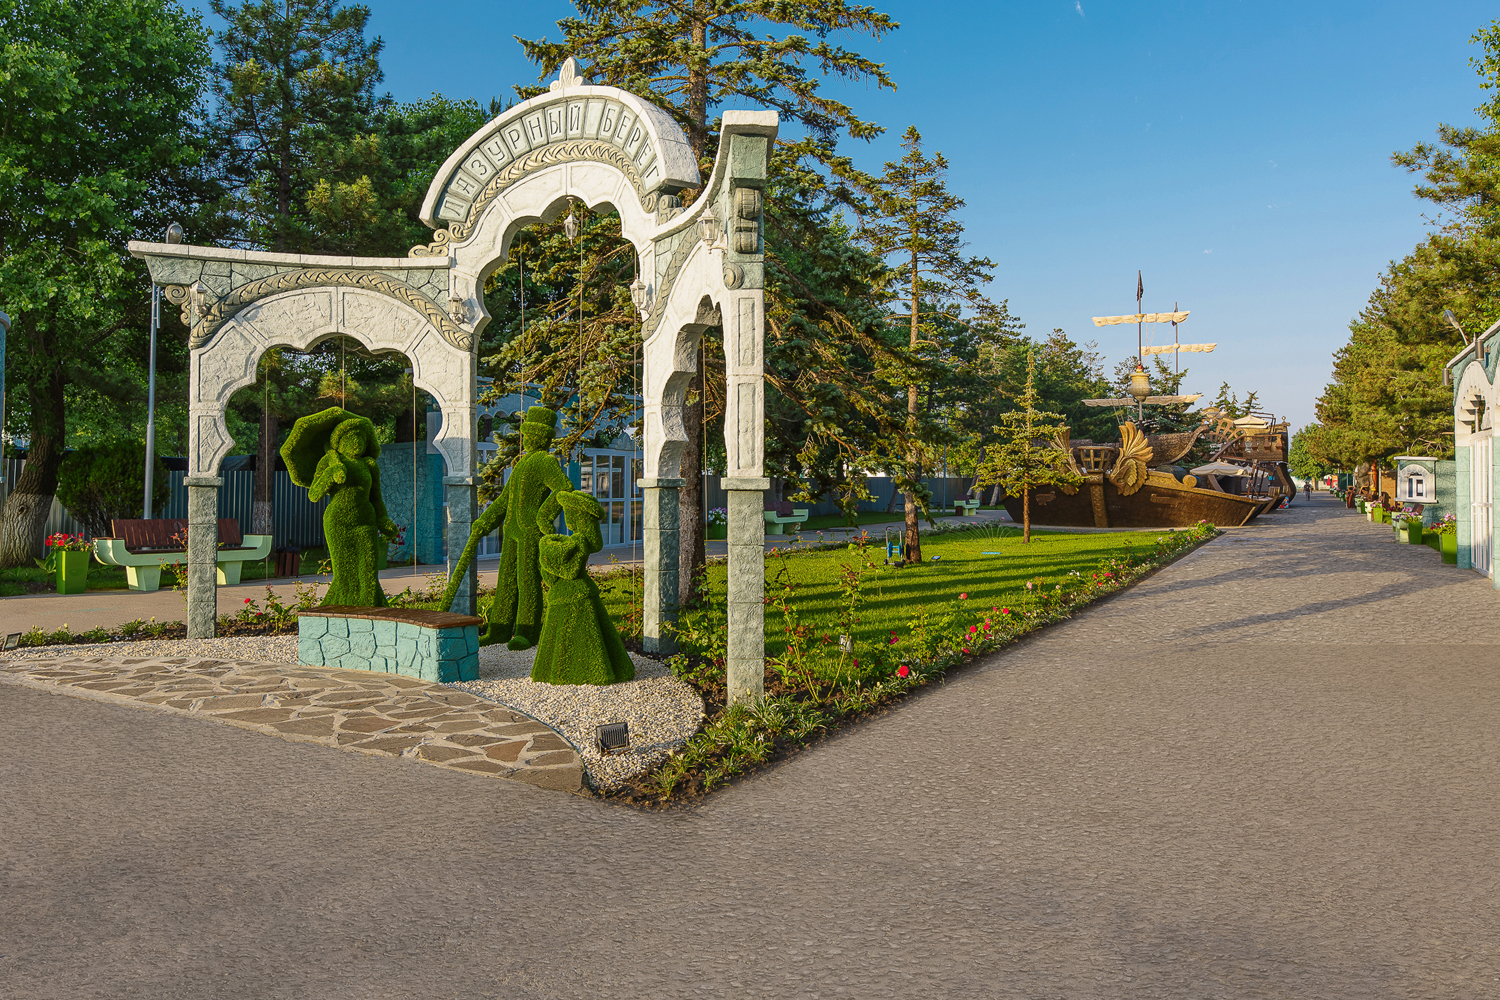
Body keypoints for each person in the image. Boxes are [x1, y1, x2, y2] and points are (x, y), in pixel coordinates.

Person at [442, 406, 573, 649]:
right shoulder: (522, 463)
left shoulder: (545, 461)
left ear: (543, 437)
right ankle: (499, 630)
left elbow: (564, 489)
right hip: (512, 531)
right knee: (506, 582)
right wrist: (485, 521)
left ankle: (526, 632)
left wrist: (544, 517)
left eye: (532, 434)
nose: (527, 438)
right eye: (527, 434)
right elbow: (504, 500)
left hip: (530, 531)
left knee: (527, 581)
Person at [281, 407, 399, 607]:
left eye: (361, 437)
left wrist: (383, 519)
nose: (357, 441)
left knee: (368, 568)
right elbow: (314, 494)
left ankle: (371, 605)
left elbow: (376, 497)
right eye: (351, 437)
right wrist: (330, 473)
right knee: (344, 569)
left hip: (366, 519)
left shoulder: (369, 464)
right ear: (339, 441)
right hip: (337, 520)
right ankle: (342, 606)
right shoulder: (329, 461)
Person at [530, 489, 635, 685]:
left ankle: (560, 671)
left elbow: (558, 572)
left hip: (570, 591)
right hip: (575, 590)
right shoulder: (576, 542)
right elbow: (568, 570)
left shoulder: (573, 542)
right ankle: (592, 670)